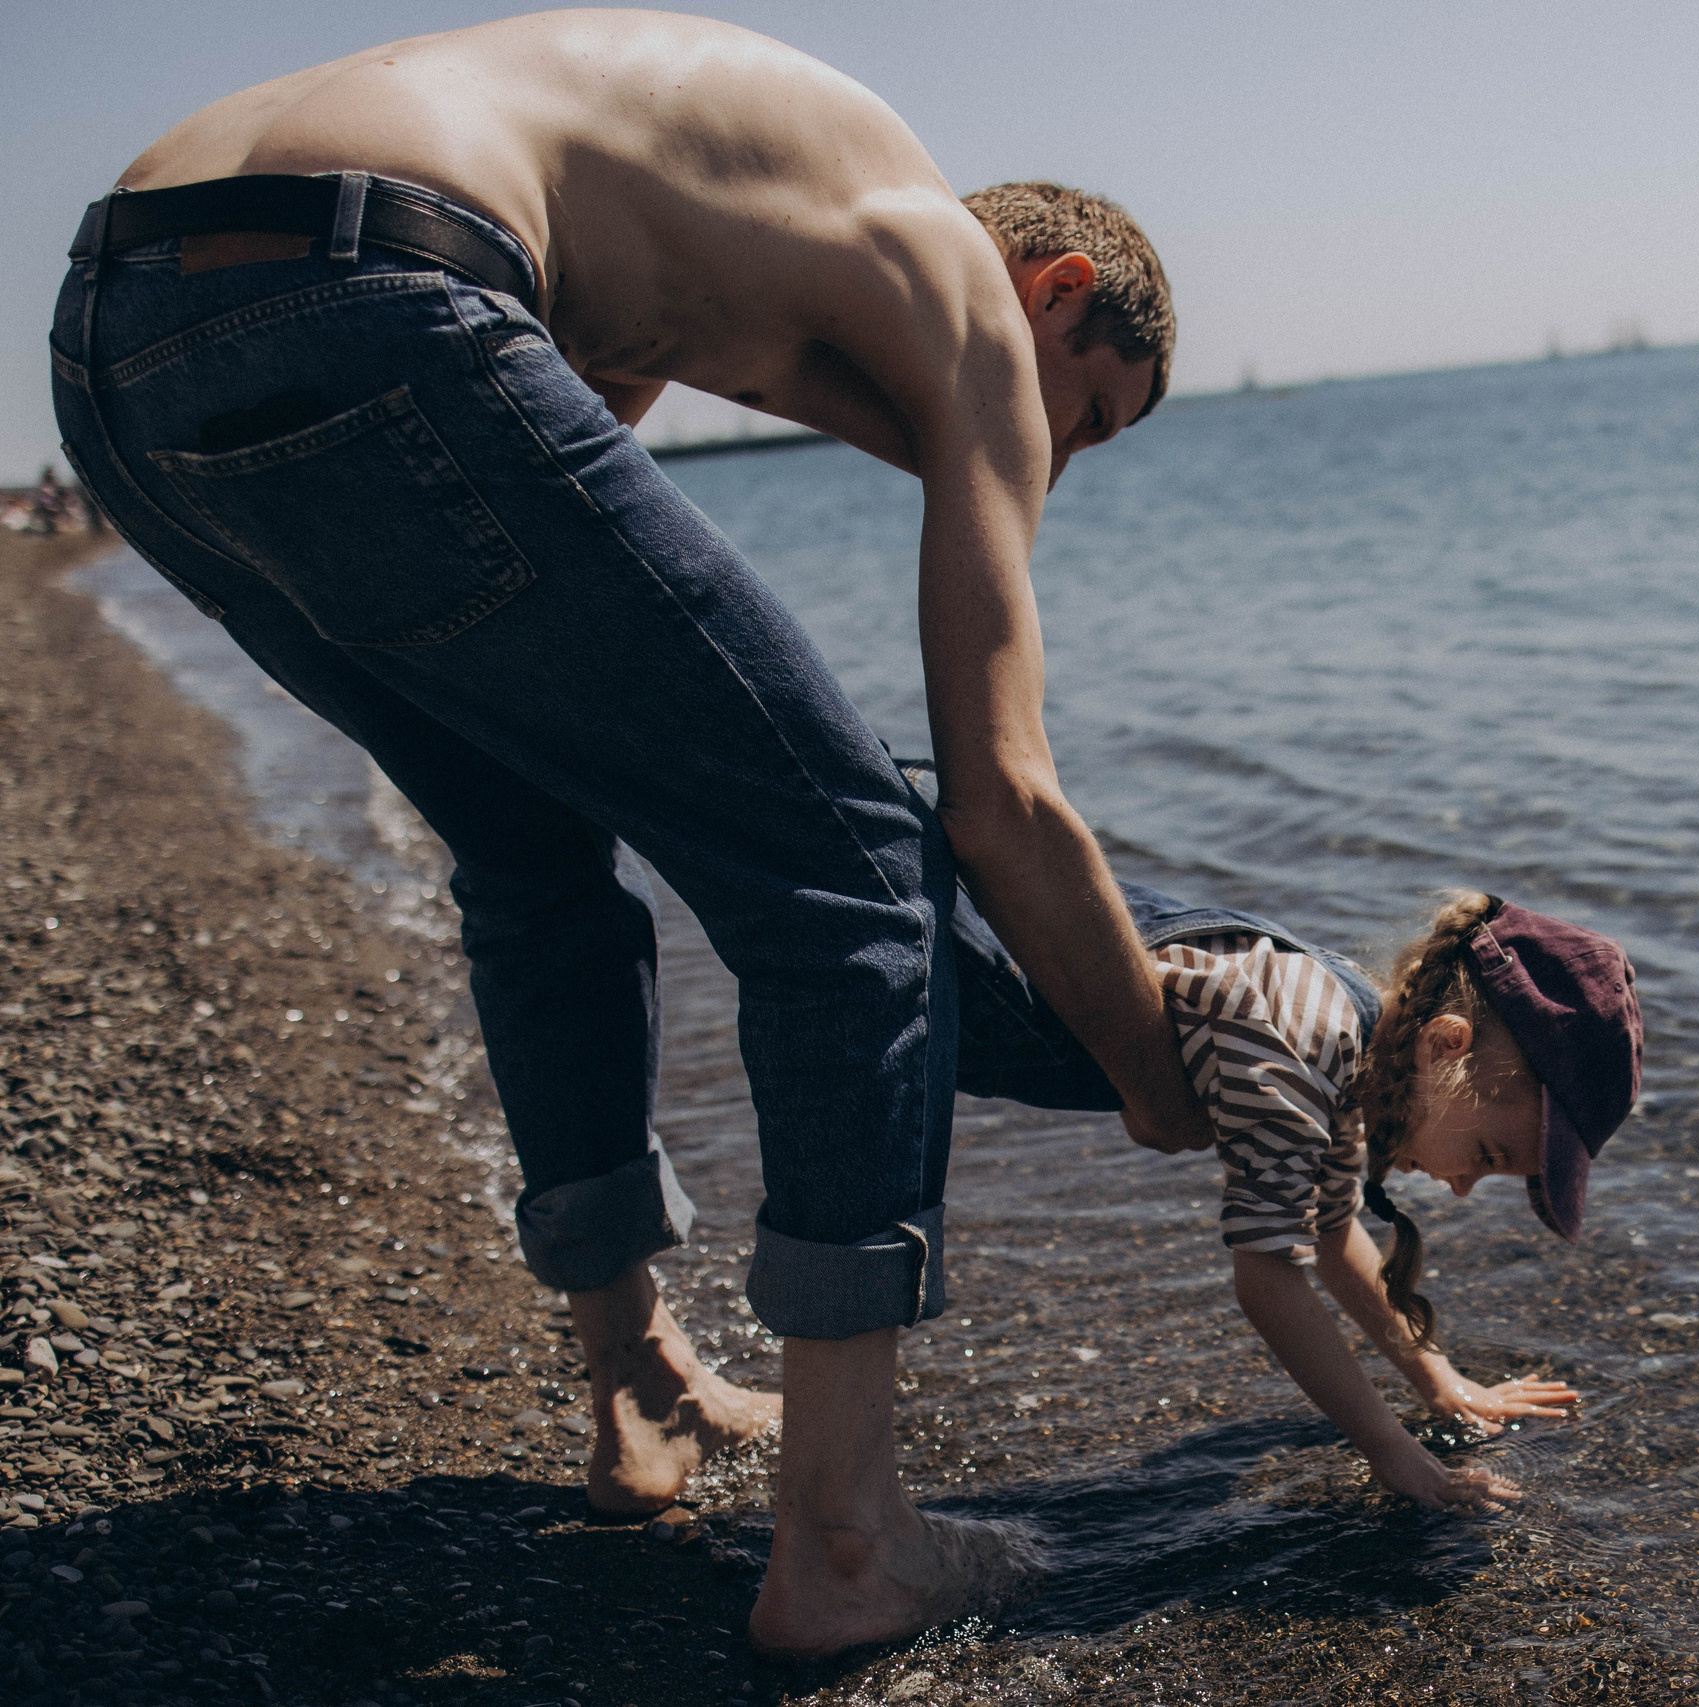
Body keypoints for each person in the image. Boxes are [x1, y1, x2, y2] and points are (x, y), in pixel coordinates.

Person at [50, 11, 1213, 1653]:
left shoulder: (721, 236)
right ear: (1060, 288)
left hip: (117, 340)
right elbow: (998, 805)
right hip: (386, 278)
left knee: (528, 848)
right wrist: (1156, 1074)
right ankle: (850, 1539)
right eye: (1087, 418)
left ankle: (639, 1385)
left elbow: (562, 560)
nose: (1056, 467)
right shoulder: (952, 269)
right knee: (855, 882)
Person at [949, 866, 1645, 1510]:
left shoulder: (1352, 1041)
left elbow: (1332, 1231)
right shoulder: (1306, 1045)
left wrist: (1441, 1383)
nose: (1463, 1187)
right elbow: (1268, 1283)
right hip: (958, 946)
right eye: (1487, 1154)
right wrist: (1395, 1455)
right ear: (1445, 1046)